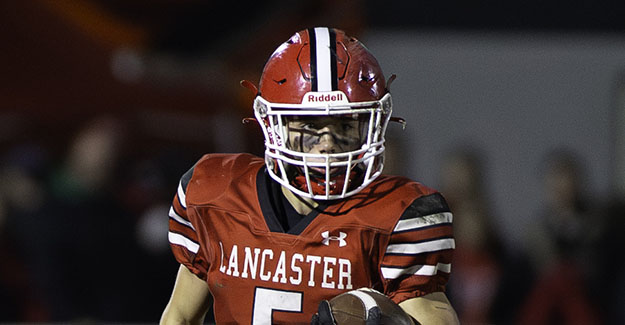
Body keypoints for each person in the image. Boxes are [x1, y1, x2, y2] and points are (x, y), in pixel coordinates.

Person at [160, 27, 458, 324]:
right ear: (275, 124)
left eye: (344, 124)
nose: (327, 142)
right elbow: (180, 316)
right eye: (310, 125)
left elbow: (435, 317)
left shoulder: (397, 215)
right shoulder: (215, 196)